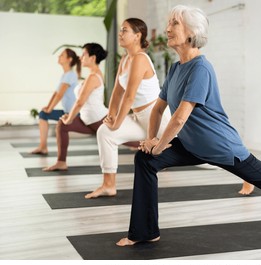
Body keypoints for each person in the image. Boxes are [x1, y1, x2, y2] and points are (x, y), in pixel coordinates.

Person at [116, 5, 261, 246]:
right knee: (145, 160)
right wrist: (153, 140)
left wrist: (158, 145)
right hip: (192, 145)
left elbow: (179, 118)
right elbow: (157, 109)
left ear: (191, 32)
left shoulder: (201, 69)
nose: (167, 28)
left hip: (222, 147)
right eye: (169, 23)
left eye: (174, 23)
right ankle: (145, 232)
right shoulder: (177, 68)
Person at [84, 18, 170, 199]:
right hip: (140, 119)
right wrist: (111, 117)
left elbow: (129, 96)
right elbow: (117, 92)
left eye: (124, 30)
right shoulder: (125, 59)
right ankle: (108, 185)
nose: (120, 34)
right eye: (120, 30)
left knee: (194, 152)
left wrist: (118, 122)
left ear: (137, 36)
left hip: (158, 118)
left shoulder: (140, 58)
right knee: (105, 132)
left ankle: (242, 169)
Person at [43, 43, 108, 171]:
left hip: (98, 120)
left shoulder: (94, 77)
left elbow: (80, 102)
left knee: (132, 142)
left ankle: (157, 149)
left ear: (93, 58)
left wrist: (70, 118)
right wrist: (68, 118)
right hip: (88, 120)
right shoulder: (92, 75)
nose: (80, 57)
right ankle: (61, 162)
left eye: (84, 54)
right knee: (62, 125)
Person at [31, 48, 80, 155]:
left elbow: (60, 94)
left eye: (62, 55)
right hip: (67, 112)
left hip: (73, 114)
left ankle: (43, 147)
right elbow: (55, 93)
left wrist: (50, 109)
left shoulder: (71, 75)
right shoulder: (65, 75)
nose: (59, 56)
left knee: (44, 114)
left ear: (69, 59)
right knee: (43, 114)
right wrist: (48, 107)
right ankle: (42, 147)